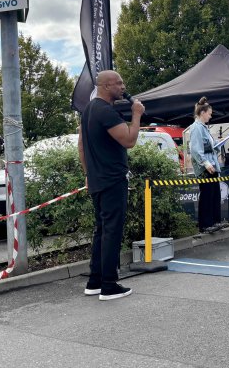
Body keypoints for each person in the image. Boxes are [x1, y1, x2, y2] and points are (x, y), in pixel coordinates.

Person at [78, 70, 144, 301]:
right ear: (105, 86)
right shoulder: (105, 111)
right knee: (112, 231)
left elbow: (81, 146)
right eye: (118, 83)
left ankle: (95, 282)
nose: (123, 86)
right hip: (112, 179)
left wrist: (88, 174)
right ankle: (109, 285)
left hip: (98, 179)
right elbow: (129, 140)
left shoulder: (88, 110)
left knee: (101, 230)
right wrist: (136, 114)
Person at [189, 97, 224, 233]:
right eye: (209, 113)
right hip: (206, 167)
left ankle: (215, 222)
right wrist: (206, 163)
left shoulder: (203, 128)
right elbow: (196, 149)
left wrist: (218, 144)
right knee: (207, 195)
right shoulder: (196, 128)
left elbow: (207, 147)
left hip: (211, 165)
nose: (210, 116)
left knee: (214, 195)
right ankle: (206, 224)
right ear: (202, 113)